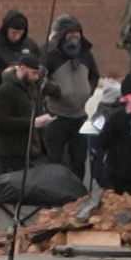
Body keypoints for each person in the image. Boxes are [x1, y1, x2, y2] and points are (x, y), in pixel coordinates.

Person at [40, 15, 98, 177]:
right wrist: (54, 91)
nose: (74, 37)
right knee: (54, 157)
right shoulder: (50, 54)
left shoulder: (85, 54)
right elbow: (38, 78)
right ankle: (55, 189)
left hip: (79, 115)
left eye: (77, 34)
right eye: (70, 34)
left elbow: (94, 75)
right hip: (57, 115)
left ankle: (77, 191)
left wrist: (87, 92)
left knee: (78, 158)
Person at [0, 49, 54, 177]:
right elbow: (0, 122)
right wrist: (32, 122)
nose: (36, 77)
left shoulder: (30, 89)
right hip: (9, 156)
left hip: (28, 154)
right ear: (23, 69)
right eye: (33, 73)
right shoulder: (5, 91)